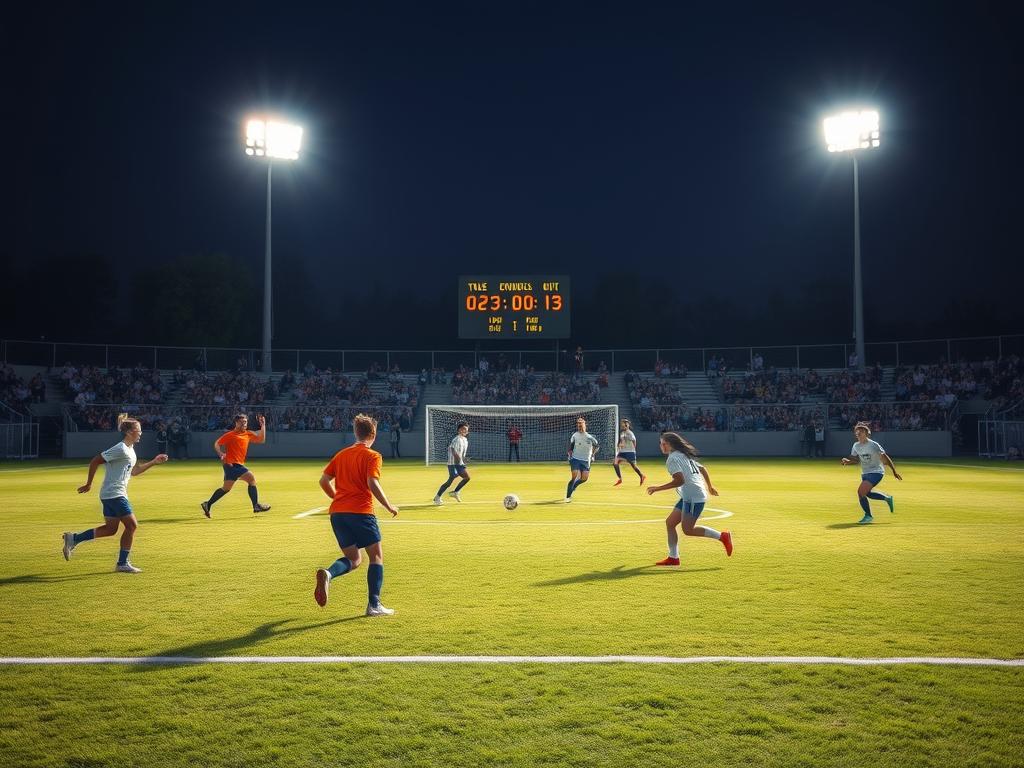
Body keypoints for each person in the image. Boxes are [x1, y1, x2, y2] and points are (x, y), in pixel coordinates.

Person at [314, 413, 399, 616]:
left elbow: (323, 481)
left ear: (355, 432)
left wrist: (337, 499)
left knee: (354, 559)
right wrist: (388, 506)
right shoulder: (373, 456)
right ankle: (374, 605)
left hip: (338, 514)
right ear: (374, 434)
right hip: (360, 512)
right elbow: (372, 482)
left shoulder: (341, 454)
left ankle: (328, 573)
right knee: (376, 556)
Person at [62, 413, 168, 573]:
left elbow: (134, 471)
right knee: (132, 526)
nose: (141, 433)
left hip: (112, 494)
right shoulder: (120, 448)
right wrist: (89, 483)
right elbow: (96, 460)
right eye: (138, 430)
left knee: (111, 529)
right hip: (115, 494)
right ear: (129, 432)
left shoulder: (130, 450)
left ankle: (74, 538)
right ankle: (122, 563)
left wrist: (154, 462)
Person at [647, 431, 732, 565]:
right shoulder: (683, 455)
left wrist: (657, 488)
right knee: (670, 523)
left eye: (664, 444)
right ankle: (673, 557)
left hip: (693, 497)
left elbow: (679, 481)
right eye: (660, 443)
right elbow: (702, 468)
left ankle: (723, 536)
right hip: (690, 495)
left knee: (688, 530)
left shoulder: (673, 459)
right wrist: (709, 486)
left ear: (671, 445)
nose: (661, 446)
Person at [200, 413, 271, 517]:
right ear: (236, 423)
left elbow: (261, 439)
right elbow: (217, 443)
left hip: (233, 465)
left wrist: (263, 425)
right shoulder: (230, 435)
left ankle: (207, 504)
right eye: (242, 422)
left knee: (226, 488)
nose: (244, 424)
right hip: (232, 464)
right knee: (251, 479)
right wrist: (220, 453)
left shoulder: (247, 434)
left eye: (245, 422)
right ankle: (256, 505)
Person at [840, 422, 901, 525]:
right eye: (856, 432)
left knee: (860, 492)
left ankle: (868, 516)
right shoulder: (856, 446)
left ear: (866, 433)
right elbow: (857, 460)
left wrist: (894, 471)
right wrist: (847, 461)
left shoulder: (873, 445)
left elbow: (886, 458)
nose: (858, 433)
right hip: (865, 473)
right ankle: (887, 498)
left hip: (877, 472)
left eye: (860, 431)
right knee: (867, 494)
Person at [433, 422, 470, 504]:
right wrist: (458, 463)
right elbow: (453, 450)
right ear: (458, 430)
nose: (464, 431)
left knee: (459, 479)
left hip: (459, 463)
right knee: (460, 478)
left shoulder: (465, 440)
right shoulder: (456, 439)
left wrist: (464, 459)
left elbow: (462, 453)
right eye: (462, 429)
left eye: (466, 430)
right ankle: (441, 496)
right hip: (453, 463)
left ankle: (447, 494)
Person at [565, 416, 599, 502]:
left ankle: (574, 486)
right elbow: (571, 447)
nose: (580, 424)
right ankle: (568, 497)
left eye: (581, 423)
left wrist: (593, 455)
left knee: (584, 478)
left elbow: (597, 446)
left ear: (585, 424)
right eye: (578, 423)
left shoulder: (590, 437)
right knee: (574, 475)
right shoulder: (574, 436)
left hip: (586, 460)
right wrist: (569, 455)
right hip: (575, 459)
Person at [613, 418, 645, 486]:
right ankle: (620, 479)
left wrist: (633, 450)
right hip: (622, 452)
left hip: (629, 452)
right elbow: (621, 440)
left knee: (633, 466)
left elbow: (634, 441)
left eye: (623, 425)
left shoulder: (630, 433)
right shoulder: (622, 433)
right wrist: (619, 444)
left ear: (627, 425)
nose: (621, 426)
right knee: (615, 463)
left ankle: (641, 476)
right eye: (621, 425)